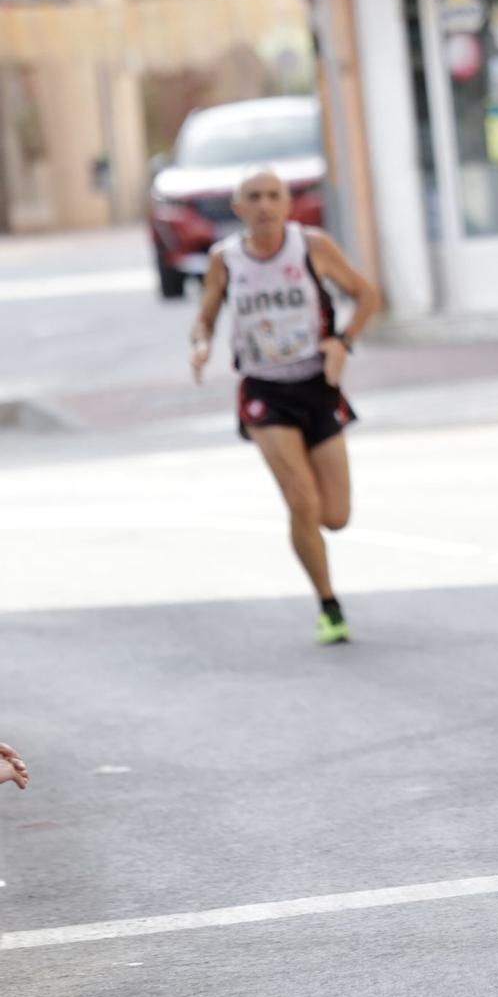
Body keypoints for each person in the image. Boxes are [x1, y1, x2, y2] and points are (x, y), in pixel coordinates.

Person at [191, 170, 381, 645]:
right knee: (302, 500)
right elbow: (206, 319)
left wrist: (343, 342)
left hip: (317, 384)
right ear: (238, 208)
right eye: (253, 198)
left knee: (334, 515)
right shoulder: (225, 260)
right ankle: (328, 604)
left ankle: (311, 534)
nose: (264, 206)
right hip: (264, 392)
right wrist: (199, 346)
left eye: (273, 196)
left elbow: (367, 296)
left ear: (287, 204)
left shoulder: (312, 246)